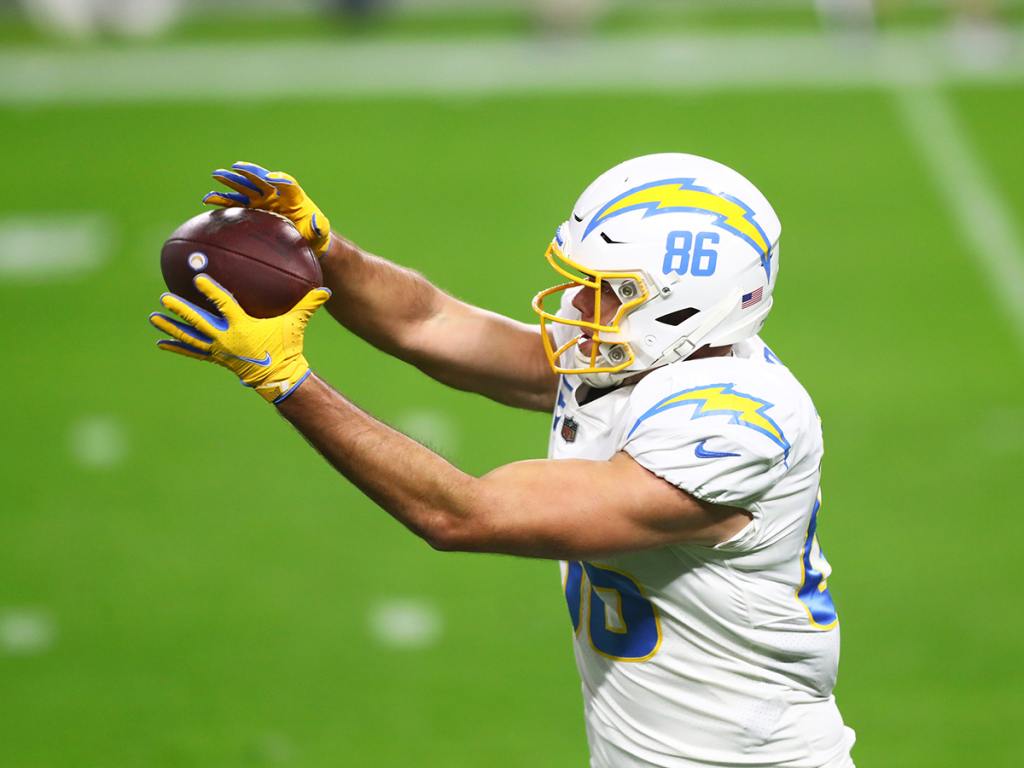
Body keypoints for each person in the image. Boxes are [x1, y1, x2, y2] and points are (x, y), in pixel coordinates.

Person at [148, 154, 856, 768]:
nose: (579, 301)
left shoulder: (736, 425)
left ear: (686, 308)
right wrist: (326, 251)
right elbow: (431, 322)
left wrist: (288, 382)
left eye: (609, 290)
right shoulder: (643, 354)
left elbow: (462, 514)